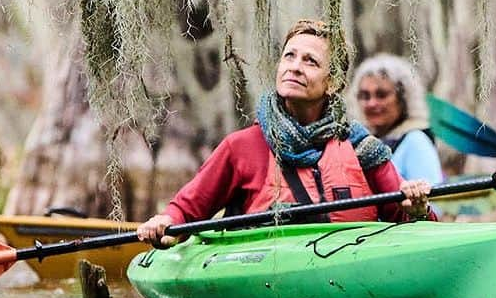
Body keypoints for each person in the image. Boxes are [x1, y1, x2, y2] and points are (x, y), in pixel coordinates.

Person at [137, 19, 432, 243]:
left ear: (333, 83)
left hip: (350, 285)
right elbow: (186, 211)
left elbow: (415, 224)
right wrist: (165, 223)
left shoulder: (360, 147)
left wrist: (417, 208)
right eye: (289, 56)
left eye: (310, 61)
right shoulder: (242, 147)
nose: (295, 67)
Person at [350, 53, 445, 186]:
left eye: (381, 95)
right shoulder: (362, 141)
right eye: (365, 96)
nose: (372, 103)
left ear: (403, 99)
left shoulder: (415, 140)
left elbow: (434, 201)